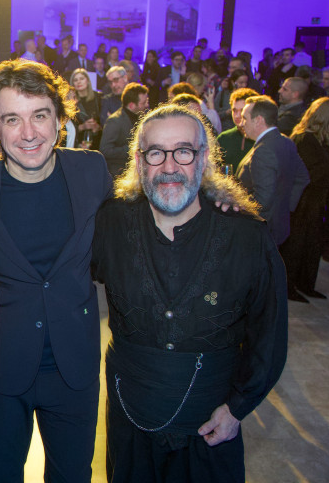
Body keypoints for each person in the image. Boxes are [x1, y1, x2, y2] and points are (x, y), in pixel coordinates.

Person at [94, 103, 288, 483]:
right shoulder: (109, 223)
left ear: (204, 160)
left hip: (211, 429)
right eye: (156, 153)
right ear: (138, 161)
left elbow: (270, 334)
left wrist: (237, 409)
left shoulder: (247, 237)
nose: (169, 166)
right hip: (130, 423)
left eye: (183, 151)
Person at [0, 60, 112, 482]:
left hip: (74, 367)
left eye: (40, 115)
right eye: (12, 119)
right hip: (2, 369)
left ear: (60, 120)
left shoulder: (92, 171)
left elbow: (148, 205)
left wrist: (214, 200)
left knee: (73, 475)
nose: (28, 133)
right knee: (3, 474)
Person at [237, 96, 311, 301]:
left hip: (260, 230)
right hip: (278, 225)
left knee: (254, 291)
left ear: (259, 120)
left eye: (245, 118)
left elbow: (263, 199)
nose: (242, 123)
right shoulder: (285, 141)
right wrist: (286, 207)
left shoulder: (264, 150)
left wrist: (239, 218)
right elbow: (302, 177)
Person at [283, 98, 329, 299]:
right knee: (297, 246)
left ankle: (304, 285)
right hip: (303, 203)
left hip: (312, 203)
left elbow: (318, 161)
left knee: (310, 246)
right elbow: (313, 172)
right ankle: (290, 287)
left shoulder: (313, 139)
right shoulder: (305, 138)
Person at [100, 83, 149, 178]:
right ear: (131, 105)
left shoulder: (142, 117)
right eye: (143, 103)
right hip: (119, 174)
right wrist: (132, 148)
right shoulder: (114, 121)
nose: (147, 105)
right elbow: (105, 150)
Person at [216, 88, 258, 173]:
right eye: (234, 110)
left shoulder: (259, 138)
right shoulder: (224, 138)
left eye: (242, 111)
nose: (237, 115)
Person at [69, 68, 103, 150]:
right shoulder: (71, 101)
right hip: (78, 143)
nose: (78, 82)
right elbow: (67, 127)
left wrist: (98, 127)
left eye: (81, 79)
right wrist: (83, 126)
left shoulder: (99, 98)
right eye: (75, 80)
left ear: (87, 81)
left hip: (97, 141)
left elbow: (105, 121)